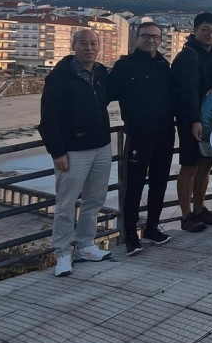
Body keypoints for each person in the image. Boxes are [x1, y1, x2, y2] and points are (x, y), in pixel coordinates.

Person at [38, 29, 112, 277]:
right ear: (74, 46)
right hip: (72, 151)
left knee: (94, 200)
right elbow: (48, 119)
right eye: (84, 43)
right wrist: (57, 151)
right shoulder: (60, 77)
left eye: (93, 43)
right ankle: (61, 253)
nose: (89, 48)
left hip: (102, 146)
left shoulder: (101, 73)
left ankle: (86, 245)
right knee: (66, 204)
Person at [108, 22, 175, 255]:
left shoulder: (163, 64)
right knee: (134, 185)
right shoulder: (124, 65)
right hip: (138, 133)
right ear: (137, 38)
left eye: (156, 37)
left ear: (160, 40)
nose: (151, 40)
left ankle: (152, 229)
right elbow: (106, 95)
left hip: (165, 133)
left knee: (159, 182)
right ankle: (129, 235)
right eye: (146, 36)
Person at [171, 12, 212, 232]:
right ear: (195, 31)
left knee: (206, 164)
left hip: (210, 118)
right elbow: (188, 91)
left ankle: (200, 208)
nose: (210, 34)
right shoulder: (187, 55)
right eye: (205, 29)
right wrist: (194, 120)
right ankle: (186, 215)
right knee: (189, 165)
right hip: (190, 119)